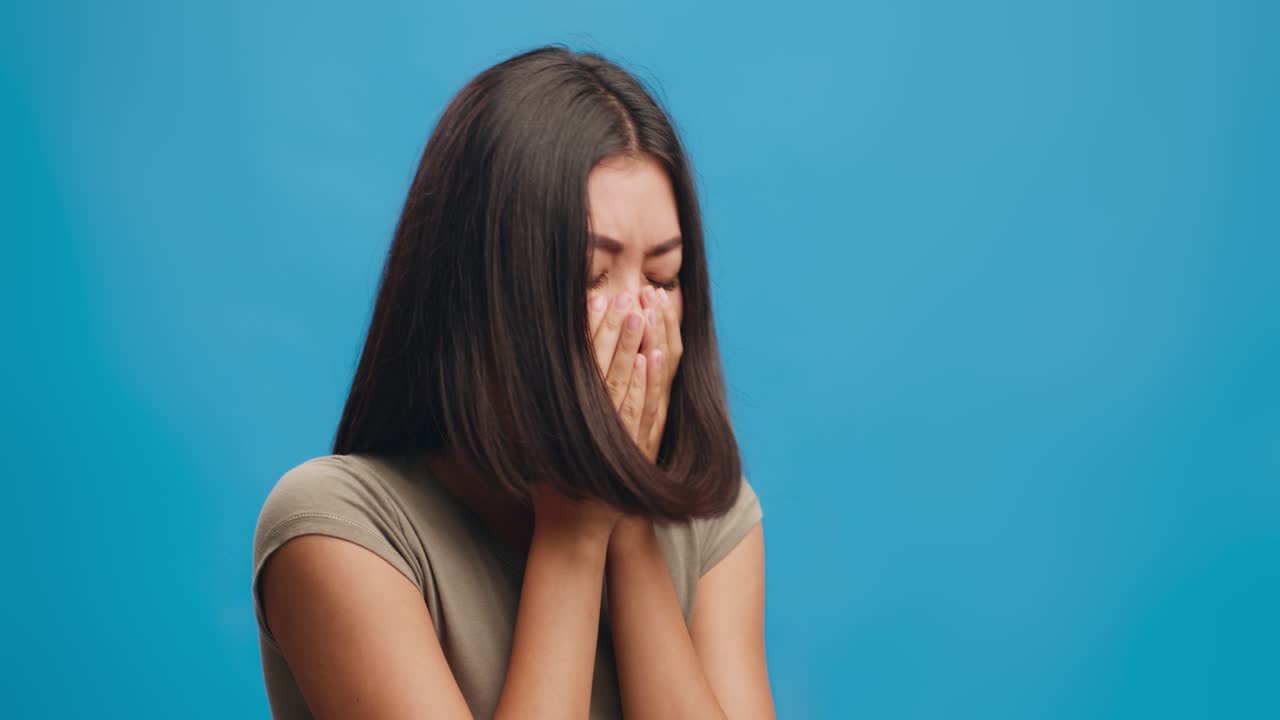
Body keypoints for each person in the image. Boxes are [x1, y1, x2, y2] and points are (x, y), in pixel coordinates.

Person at [251, 44, 774, 719]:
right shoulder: (337, 528)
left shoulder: (715, 517)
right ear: (482, 292)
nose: (638, 317)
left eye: (662, 278)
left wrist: (630, 528)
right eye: (592, 275)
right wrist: (575, 537)